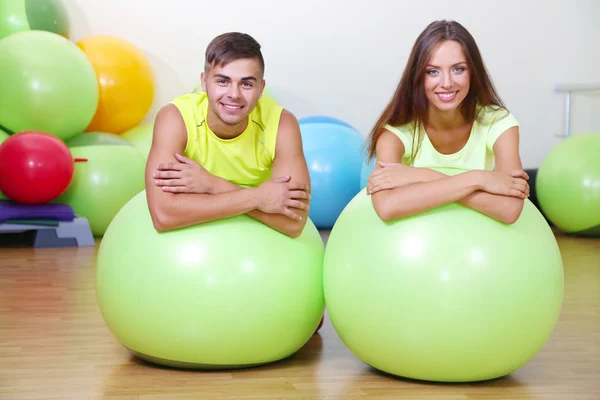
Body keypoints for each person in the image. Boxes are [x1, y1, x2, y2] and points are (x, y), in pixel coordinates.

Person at [145, 32, 311, 238]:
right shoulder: (175, 118)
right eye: (223, 81)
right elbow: (163, 215)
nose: (234, 94)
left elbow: (293, 222)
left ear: (261, 88)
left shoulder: (282, 124)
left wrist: (212, 184)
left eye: (247, 84)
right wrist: (259, 198)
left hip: (259, 250)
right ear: (204, 82)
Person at [365, 20, 530, 224]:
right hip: (416, 248)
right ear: (417, 76)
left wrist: (417, 176)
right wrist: (478, 179)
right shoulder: (395, 133)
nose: (446, 83)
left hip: (478, 249)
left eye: (458, 69)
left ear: (473, 72)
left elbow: (509, 209)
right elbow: (387, 206)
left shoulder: (499, 123)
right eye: (433, 71)